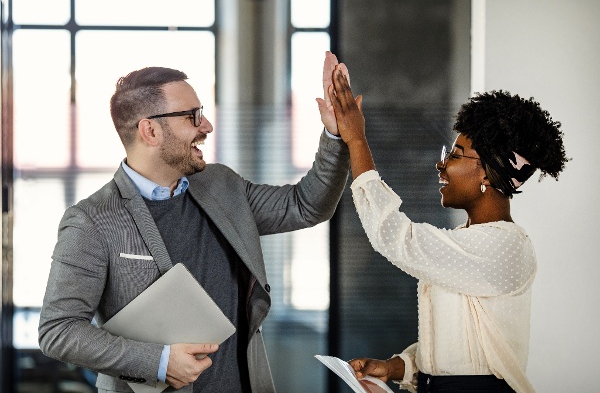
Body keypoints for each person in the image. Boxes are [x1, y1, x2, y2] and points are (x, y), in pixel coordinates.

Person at [38, 52, 350, 393]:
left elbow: (306, 206)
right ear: (151, 130)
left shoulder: (221, 185)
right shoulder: (91, 221)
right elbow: (58, 329)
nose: (206, 126)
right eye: (193, 116)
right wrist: (158, 361)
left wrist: (335, 134)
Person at [327, 64, 568, 393]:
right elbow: (457, 349)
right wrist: (396, 367)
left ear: (486, 173)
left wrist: (356, 141)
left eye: (455, 154)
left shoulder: (504, 246)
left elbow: (395, 237)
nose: (441, 163)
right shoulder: (467, 244)